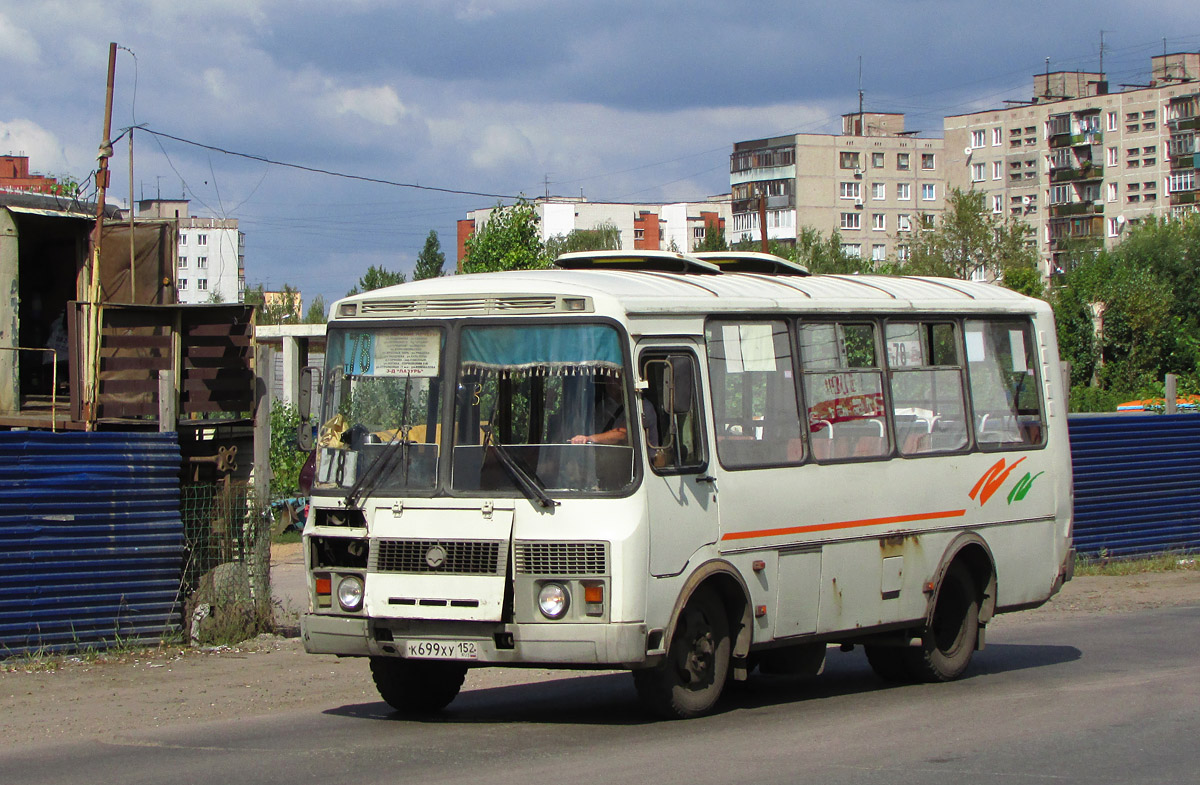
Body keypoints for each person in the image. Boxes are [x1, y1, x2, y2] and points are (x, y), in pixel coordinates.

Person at [570, 374, 628, 445]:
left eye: (615, 378)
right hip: (596, 453)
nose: (609, 382)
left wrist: (588, 439)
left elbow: (621, 434)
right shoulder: (603, 405)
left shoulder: (638, 405)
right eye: (607, 379)